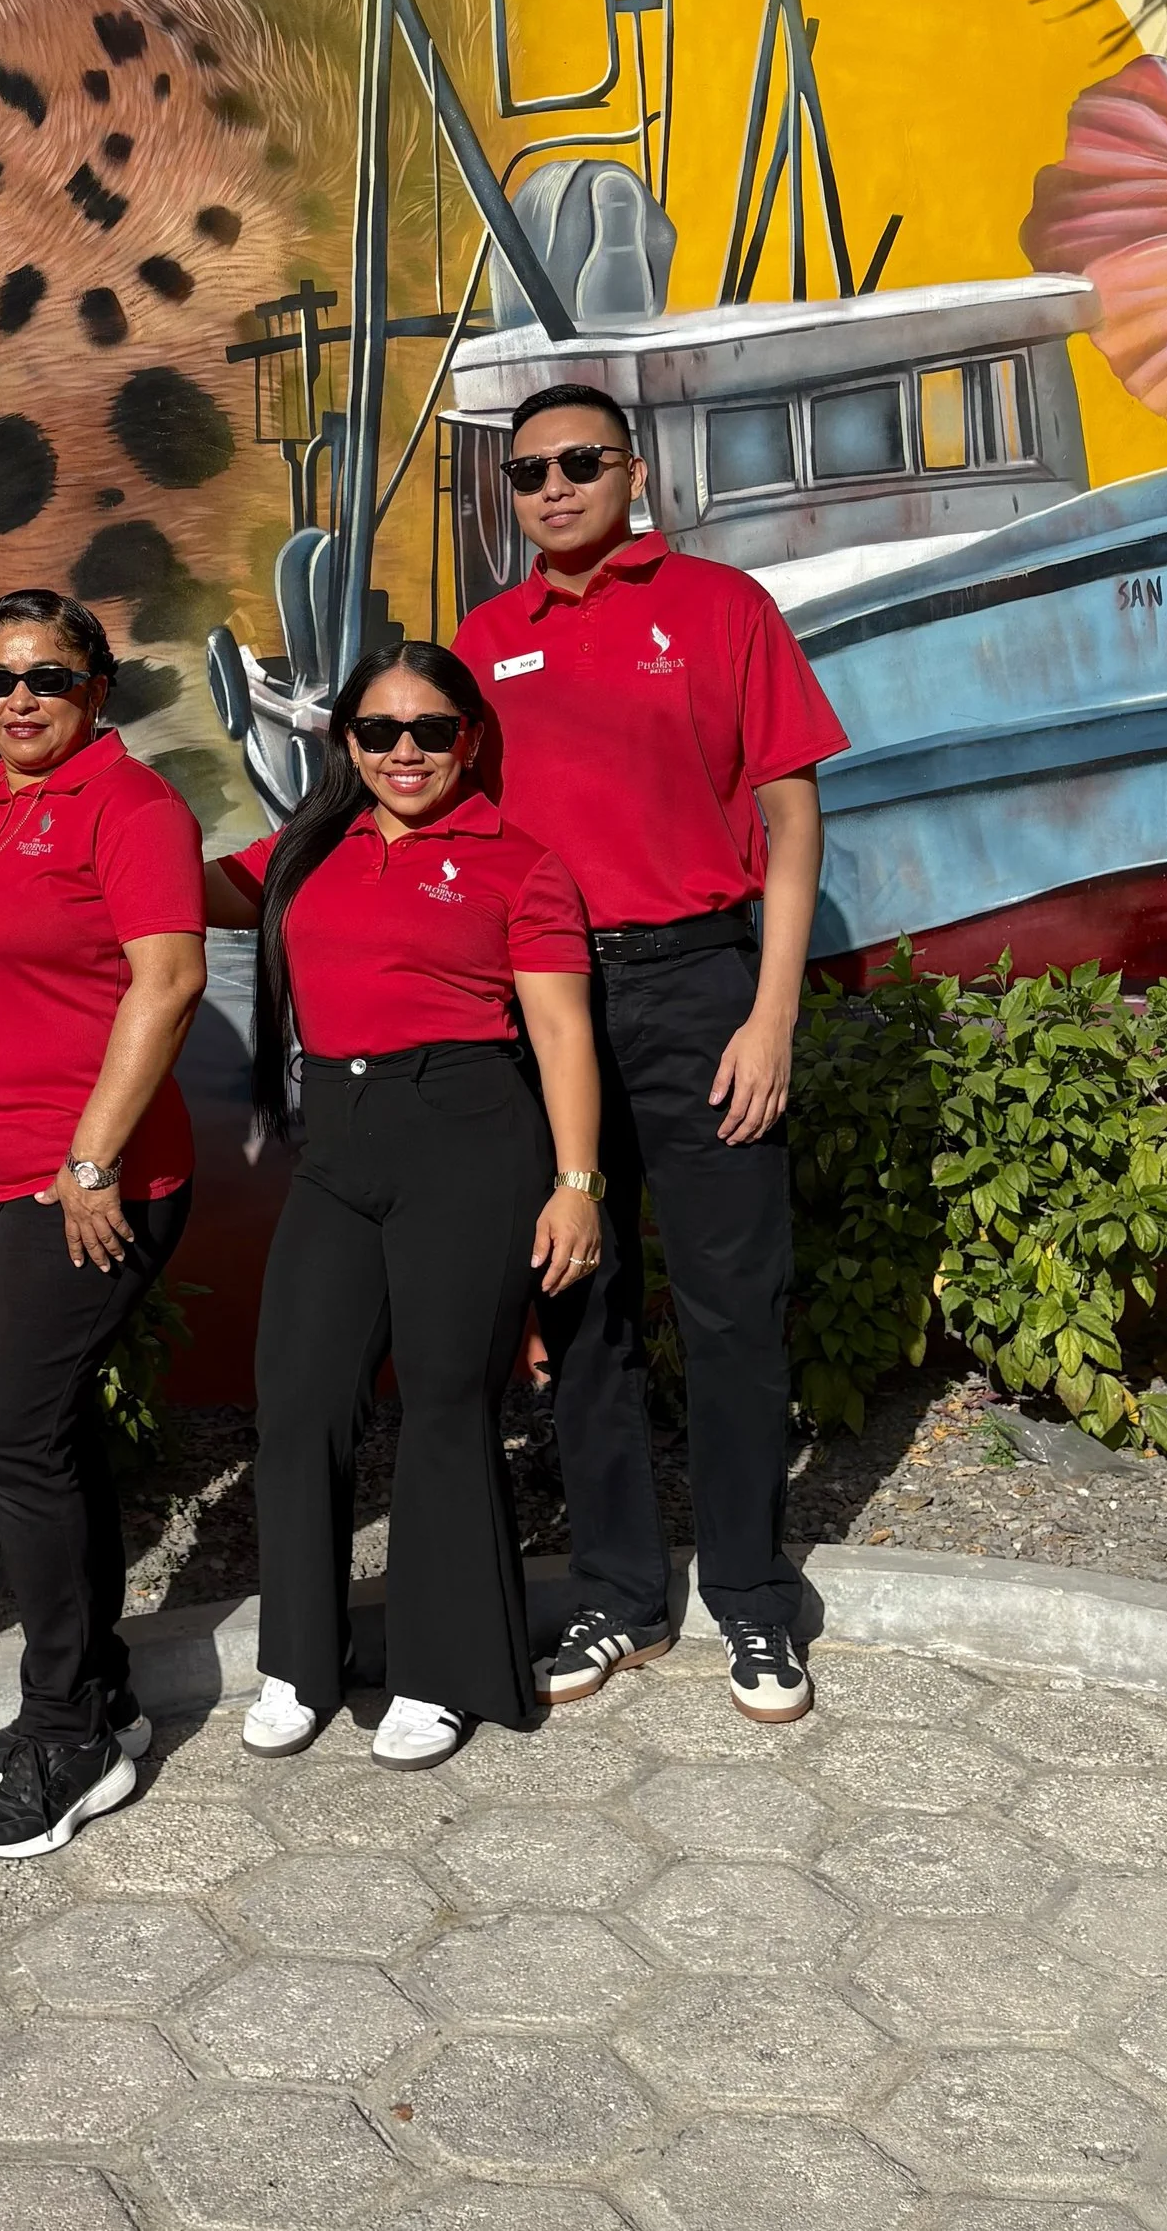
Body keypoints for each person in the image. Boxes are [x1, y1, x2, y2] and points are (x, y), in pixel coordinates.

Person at [452, 382, 851, 1725]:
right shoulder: (485, 639)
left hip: (700, 985)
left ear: (633, 471)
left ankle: (750, 1596)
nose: (554, 487)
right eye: (527, 472)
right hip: (548, 1004)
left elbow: (792, 824)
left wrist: (773, 1013)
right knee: (582, 1305)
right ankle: (622, 1596)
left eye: (580, 462)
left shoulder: (724, 608)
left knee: (736, 1306)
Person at [206, 643, 603, 1769]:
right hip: (338, 1137)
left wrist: (576, 1184)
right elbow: (182, 892)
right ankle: (301, 1655)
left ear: (468, 738)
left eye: (431, 729)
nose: (405, 752)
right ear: (346, 744)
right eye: (379, 731)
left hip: (468, 1137)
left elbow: (563, 1032)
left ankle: (440, 1671)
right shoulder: (304, 851)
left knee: (442, 1404)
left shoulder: (517, 864)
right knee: (300, 1395)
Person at [0, 591, 206, 1857]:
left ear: (97, 687)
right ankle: (103, 1691)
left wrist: (90, 1157)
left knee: (11, 1433)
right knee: (46, 1431)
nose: (21, 697)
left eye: (50, 676)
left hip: (81, 1184)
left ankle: (67, 1731)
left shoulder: (132, 807)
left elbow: (171, 979)